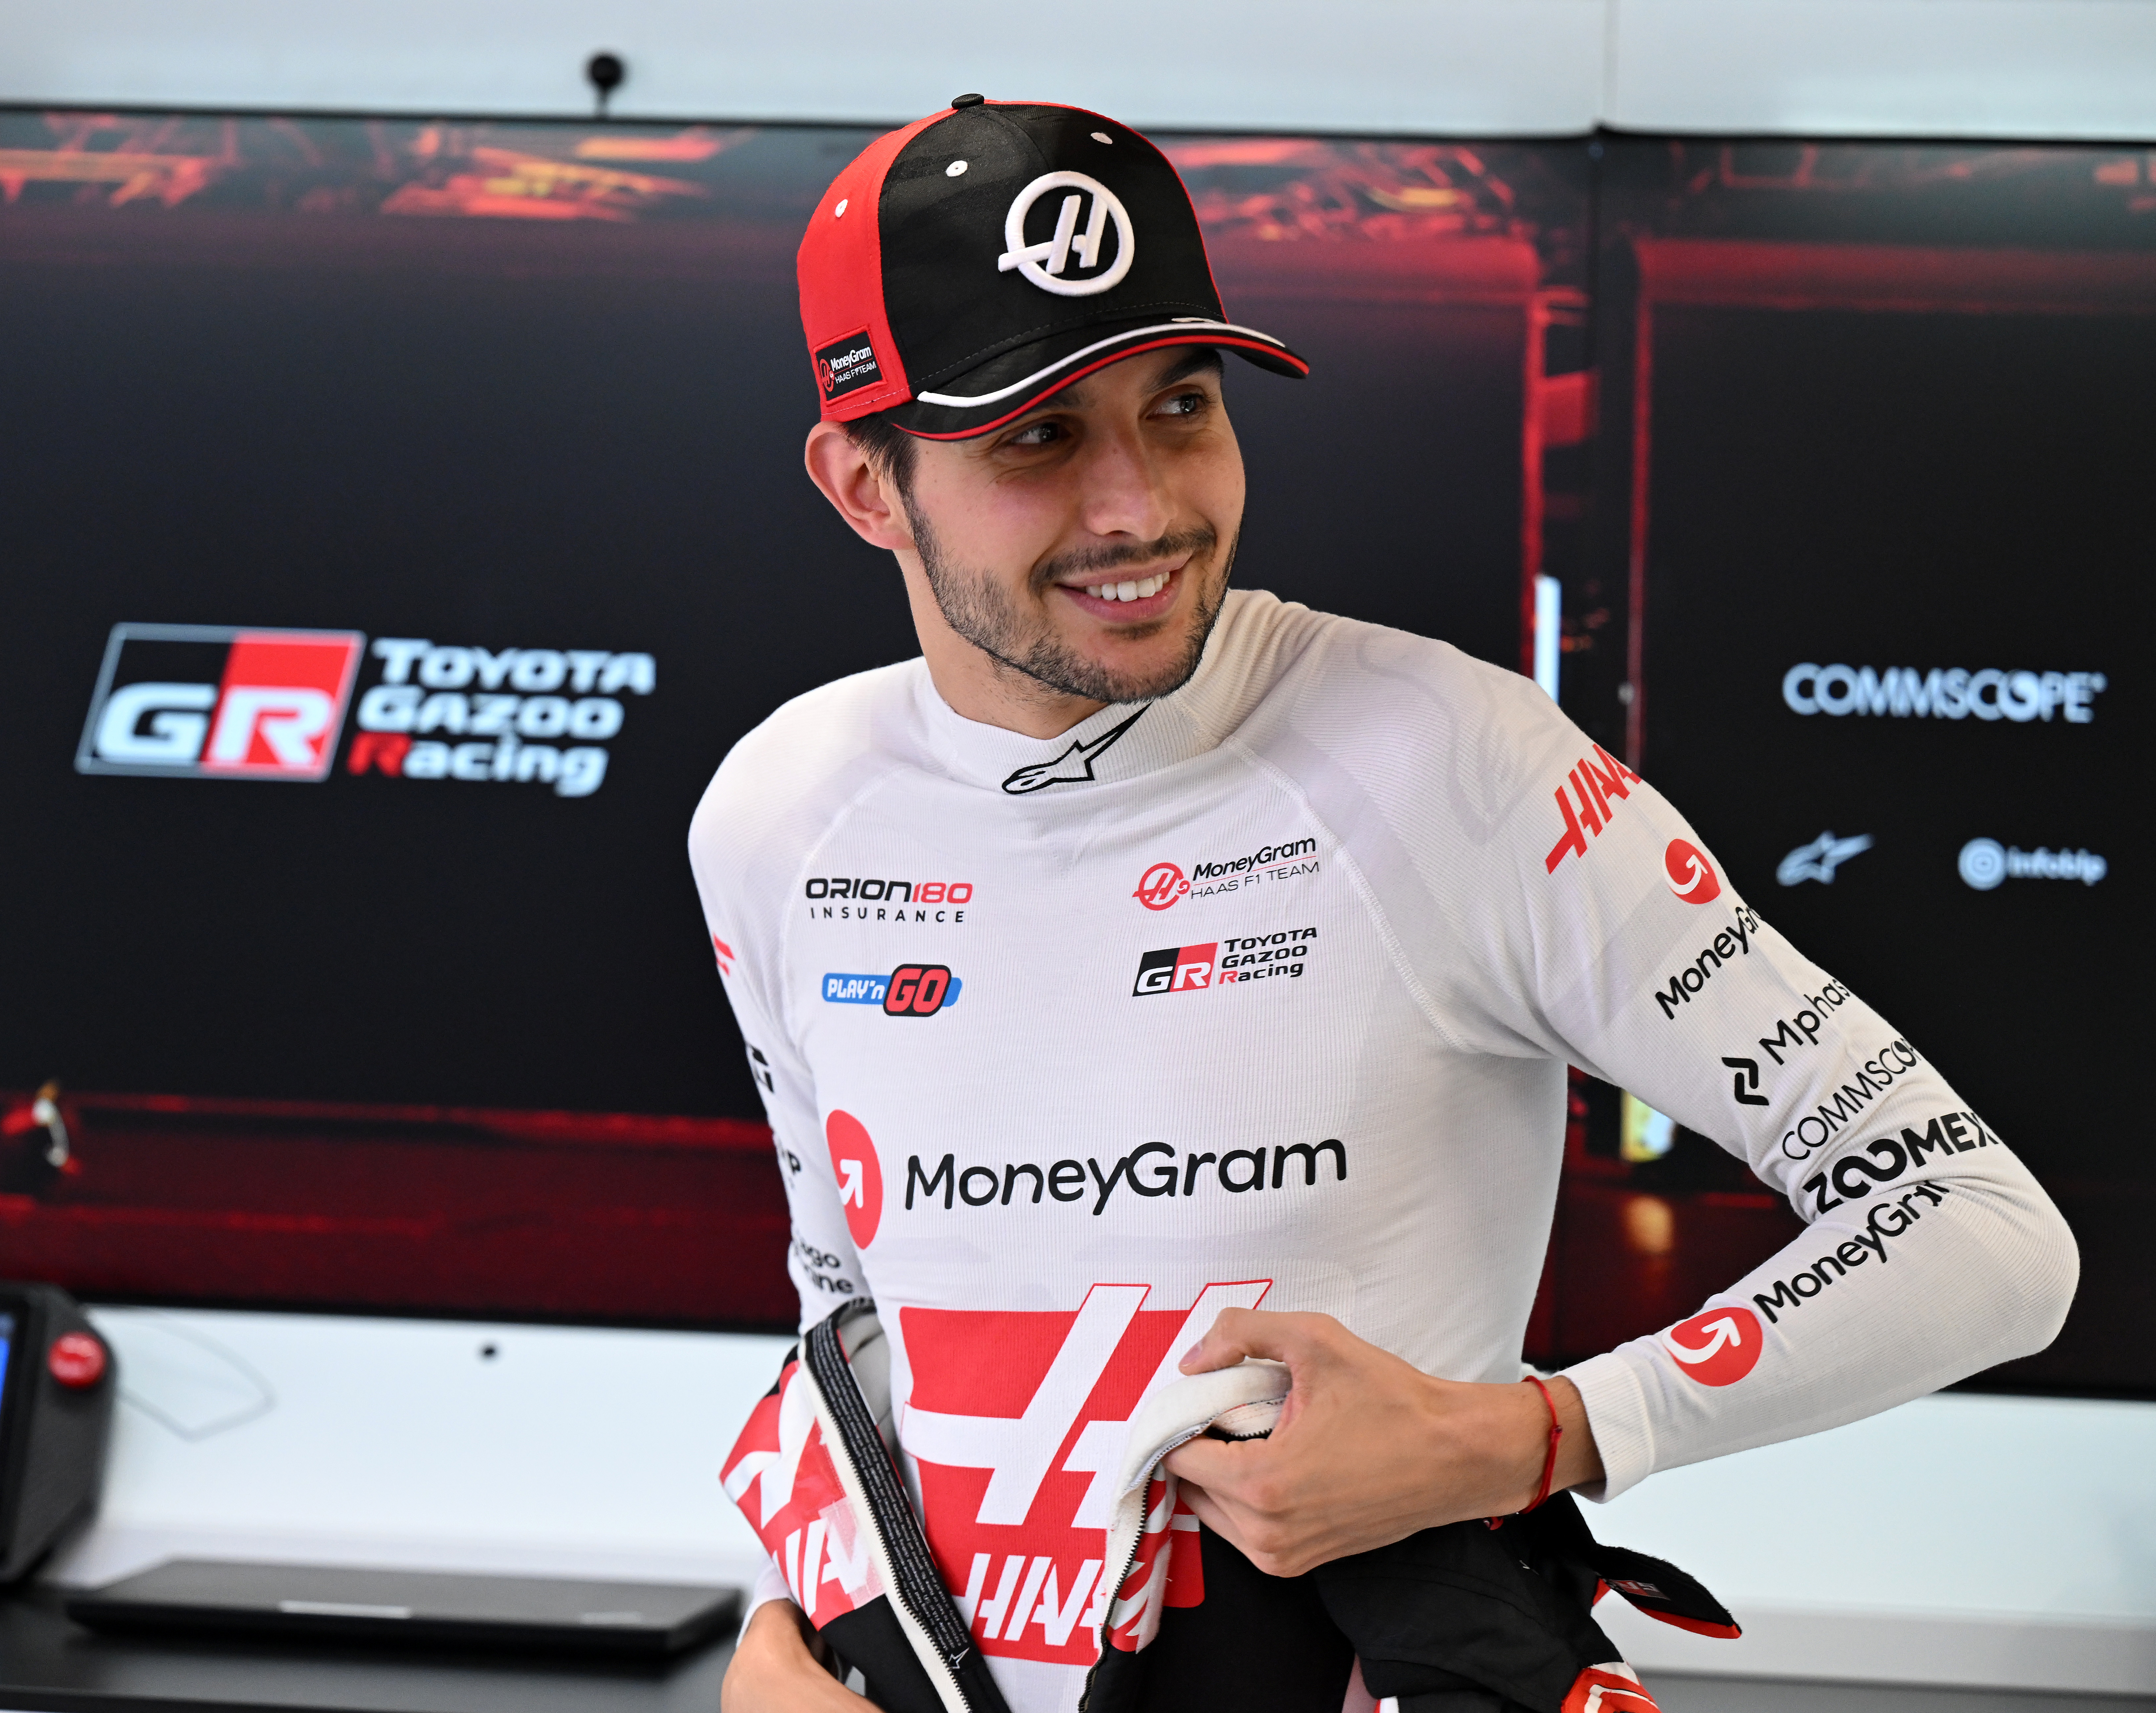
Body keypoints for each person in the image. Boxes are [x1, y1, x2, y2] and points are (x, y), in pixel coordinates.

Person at [689, 97, 2075, 1713]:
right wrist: (787, 1640)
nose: (1139, 507)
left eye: (1181, 406)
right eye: (1035, 437)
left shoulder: (1453, 760)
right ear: (864, 484)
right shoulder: (777, 813)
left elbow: (1982, 1233)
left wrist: (1536, 1432)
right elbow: (852, 1316)